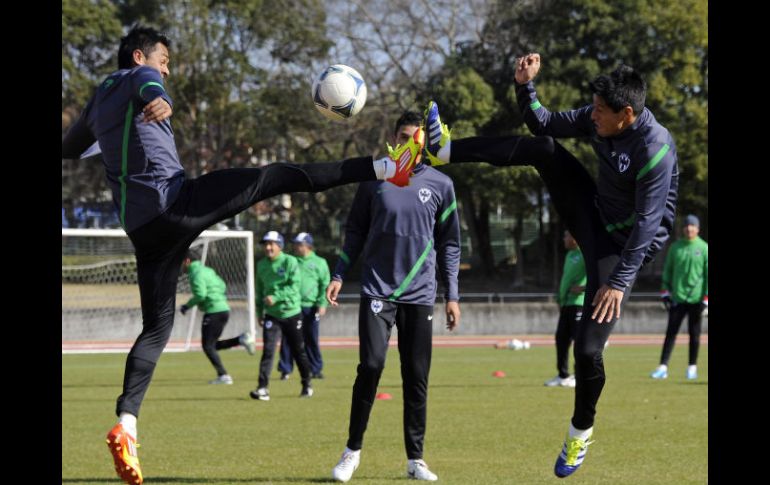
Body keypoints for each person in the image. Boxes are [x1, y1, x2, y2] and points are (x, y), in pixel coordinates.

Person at [60, 26, 424, 485]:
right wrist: (160, 97)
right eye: (164, 59)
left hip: (142, 229)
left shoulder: (98, 99)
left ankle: (127, 423)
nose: (167, 69)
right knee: (274, 176)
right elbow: (150, 85)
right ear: (139, 55)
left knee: (157, 329)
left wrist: (108, 132)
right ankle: (386, 166)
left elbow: (69, 148)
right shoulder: (138, 79)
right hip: (174, 201)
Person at [421, 53, 678, 478]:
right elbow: (544, 123)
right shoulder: (601, 115)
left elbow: (648, 228)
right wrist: (525, 87)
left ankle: (580, 432)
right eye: (592, 107)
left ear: (626, 114)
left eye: (599, 111)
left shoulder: (656, 150)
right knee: (543, 148)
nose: (591, 115)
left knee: (589, 349)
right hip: (594, 214)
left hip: (625, 246)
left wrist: (616, 282)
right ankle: (443, 149)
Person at [327, 111, 461, 483]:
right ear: (393, 136)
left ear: (426, 143)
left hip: (420, 295)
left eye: (416, 139)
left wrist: (453, 294)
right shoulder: (376, 178)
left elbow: (450, 243)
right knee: (370, 366)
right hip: (376, 289)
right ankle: (351, 451)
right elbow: (354, 230)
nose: (410, 144)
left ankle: (415, 459)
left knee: (416, 376)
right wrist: (339, 272)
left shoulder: (441, 184)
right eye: (403, 136)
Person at [250, 231, 315, 401]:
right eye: (266, 244)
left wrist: (276, 297)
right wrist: (259, 312)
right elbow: (259, 291)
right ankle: (262, 388)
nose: (268, 247)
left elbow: (295, 286)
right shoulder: (261, 264)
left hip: (292, 314)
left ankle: (307, 384)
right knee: (268, 351)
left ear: (280, 246)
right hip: (271, 315)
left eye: (272, 244)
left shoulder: (290, 261)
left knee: (298, 350)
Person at [179, 251, 257, 385]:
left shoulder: (195, 274)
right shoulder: (207, 270)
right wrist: (216, 296)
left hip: (213, 311)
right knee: (211, 345)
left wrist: (187, 306)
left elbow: (201, 295)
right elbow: (222, 285)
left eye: (179, 263)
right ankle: (241, 339)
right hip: (223, 309)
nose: (179, 267)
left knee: (208, 346)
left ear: (186, 261)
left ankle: (224, 375)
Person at [651, 214, 708, 380]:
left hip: (697, 299)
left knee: (694, 334)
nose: (689, 228)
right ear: (683, 228)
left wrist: (706, 299)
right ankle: (662, 367)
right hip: (678, 297)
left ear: (698, 228)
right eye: (686, 225)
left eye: (692, 226)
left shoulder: (704, 248)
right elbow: (668, 271)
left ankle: (692, 367)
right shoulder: (675, 247)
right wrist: (665, 293)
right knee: (670, 333)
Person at [278, 232, 330, 380]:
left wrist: (322, 303)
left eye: (298, 244)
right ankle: (285, 369)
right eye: (294, 244)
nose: (295, 247)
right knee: (288, 338)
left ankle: (315, 369)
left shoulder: (320, 262)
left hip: (311, 307)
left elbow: (324, 284)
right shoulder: (291, 261)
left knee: (311, 338)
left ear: (307, 246)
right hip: (292, 306)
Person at [543, 230, 586, 388]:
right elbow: (566, 279)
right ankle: (563, 375)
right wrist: (560, 298)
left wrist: (583, 288)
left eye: (567, 235)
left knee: (579, 341)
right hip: (566, 304)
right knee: (561, 339)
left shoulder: (585, 254)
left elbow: (599, 276)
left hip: (579, 303)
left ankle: (579, 375)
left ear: (575, 238)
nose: (564, 238)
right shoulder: (569, 256)